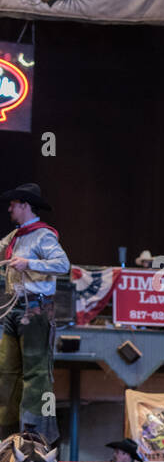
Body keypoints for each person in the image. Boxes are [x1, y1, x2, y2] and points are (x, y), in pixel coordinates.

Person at [0, 184, 68, 444]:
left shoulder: (42, 236)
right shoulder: (16, 236)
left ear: (25, 206)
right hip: (15, 308)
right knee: (6, 369)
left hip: (35, 309)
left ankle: (32, 429)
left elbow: (62, 264)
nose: (10, 208)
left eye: (14, 204)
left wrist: (29, 263)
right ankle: (6, 429)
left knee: (35, 373)